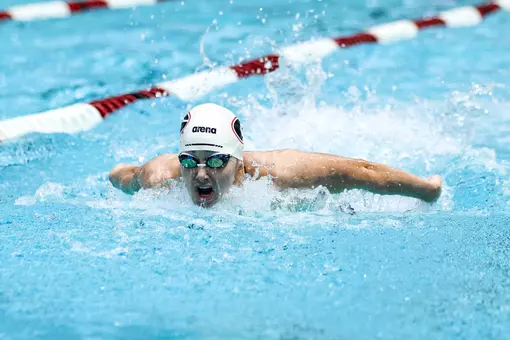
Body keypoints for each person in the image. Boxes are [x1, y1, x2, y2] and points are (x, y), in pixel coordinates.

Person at [109, 103, 442, 207]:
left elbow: (361, 171)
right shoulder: (159, 178)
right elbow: (123, 175)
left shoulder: (281, 174)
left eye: (215, 160)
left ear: (237, 159)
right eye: (189, 161)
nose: (200, 174)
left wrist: (426, 190)